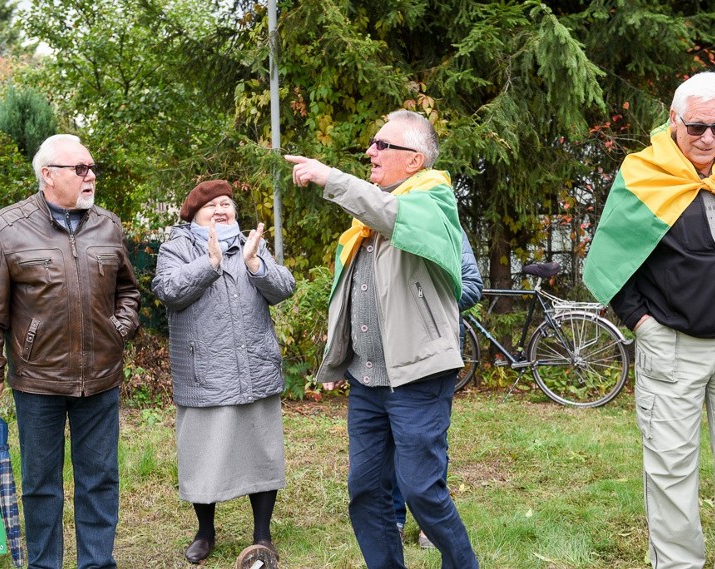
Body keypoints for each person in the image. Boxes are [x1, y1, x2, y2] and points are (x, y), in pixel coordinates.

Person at [583, 71, 715, 569]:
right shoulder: (642, 173)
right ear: (674, 120)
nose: (707, 139)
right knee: (671, 470)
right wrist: (642, 323)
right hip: (672, 347)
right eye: (697, 126)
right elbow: (612, 260)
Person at [285, 109, 479, 569]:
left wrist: (330, 177)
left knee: (420, 491)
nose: (370, 152)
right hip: (368, 381)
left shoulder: (432, 202)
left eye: (381, 144)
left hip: (419, 374)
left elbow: (393, 215)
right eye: (372, 144)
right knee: (367, 490)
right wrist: (343, 353)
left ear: (414, 160)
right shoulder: (365, 221)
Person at [0, 134, 141, 569]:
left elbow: (127, 291)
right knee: (41, 485)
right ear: (48, 175)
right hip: (38, 382)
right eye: (80, 169)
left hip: (101, 378)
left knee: (100, 480)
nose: (91, 176)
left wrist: (118, 330)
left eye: (91, 168)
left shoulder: (108, 224)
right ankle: (45, 565)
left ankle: (97, 563)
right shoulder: (6, 229)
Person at [151, 180, 295, 566]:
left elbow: (284, 288)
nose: (221, 210)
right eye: (211, 205)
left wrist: (255, 264)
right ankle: (205, 532)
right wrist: (210, 264)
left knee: (262, 452)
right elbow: (167, 290)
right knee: (204, 456)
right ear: (194, 213)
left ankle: (262, 534)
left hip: (255, 368)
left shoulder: (252, 243)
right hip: (205, 372)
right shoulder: (177, 247)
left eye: (227, 204)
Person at [392, 229, 482, 549]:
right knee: (391, 438)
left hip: (432, 358)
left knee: (429, 440)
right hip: (388, 355)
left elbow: (471, 285)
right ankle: (394, 517)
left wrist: (420, 300)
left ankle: (430, 523)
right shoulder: (383, 223)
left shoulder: (449, 229)